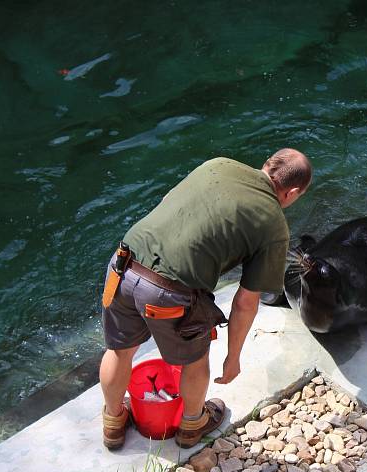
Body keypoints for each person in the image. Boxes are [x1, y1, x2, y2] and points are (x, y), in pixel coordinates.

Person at [99, 149, 312, 449]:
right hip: (167, 291)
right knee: (196, 359)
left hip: (124, 262)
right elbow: (245, 302)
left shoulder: (218, 164)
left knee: (119, 351)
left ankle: (113, 422)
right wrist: (233, 357)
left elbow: (167, 202)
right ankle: (192, 425)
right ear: (291, 193)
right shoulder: (275, 226)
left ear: (266, 165)